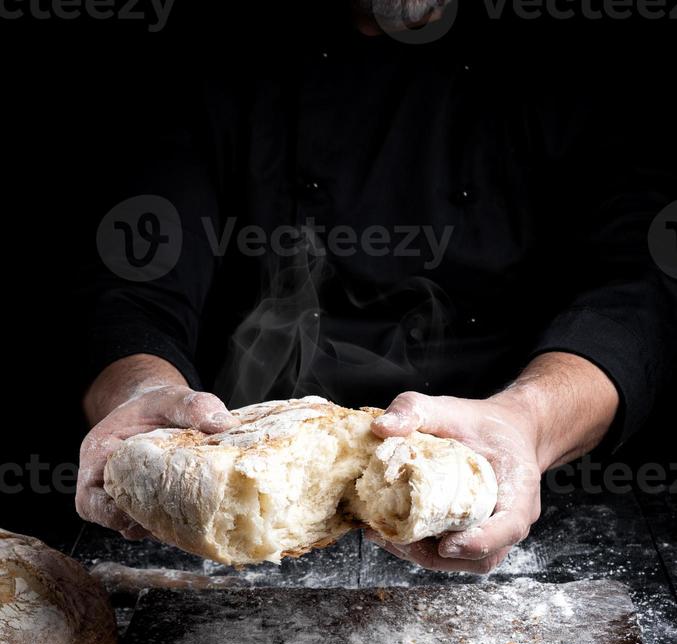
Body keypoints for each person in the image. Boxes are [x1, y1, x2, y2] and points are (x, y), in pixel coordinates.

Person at [75, 0, 676, 573]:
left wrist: (529, 423)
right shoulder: (212, 41)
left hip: (530, 501)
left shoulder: (573, 52)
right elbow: (133, 275)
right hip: (208, 505)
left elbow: (639, 287)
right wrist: (138, 394)